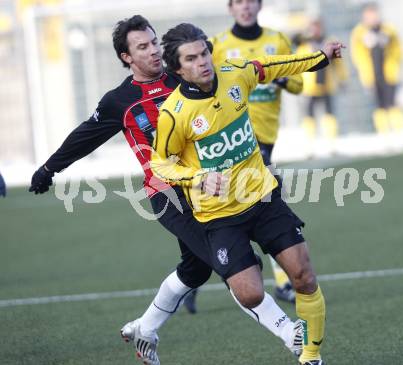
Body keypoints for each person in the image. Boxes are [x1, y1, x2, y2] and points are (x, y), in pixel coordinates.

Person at [28, 15, 303, 365]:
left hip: (212, 190)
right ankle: (287, 330)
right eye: (142, 47)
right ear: (126, 58)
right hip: (168, 195)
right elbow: (85, 136)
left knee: (195, 269)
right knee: (232, 266)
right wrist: (49, 168)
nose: (153, 51)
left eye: (154, 42)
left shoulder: (184, 76)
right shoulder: (120, 101)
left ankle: (145, 327)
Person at [152, 22, 343, 365]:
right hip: (219, 216)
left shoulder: (235, 75)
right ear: (178, 69)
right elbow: (160, 166)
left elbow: (275, 66)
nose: (203, 62)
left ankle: (311, 356)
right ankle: (243, 264)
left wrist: (320, 57)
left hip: (263, 197)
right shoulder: (174, 114)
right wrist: (197, 177)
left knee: (303, 275)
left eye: (205, 52)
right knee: (251, 293)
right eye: (192, 58)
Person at [209, 0, 303, 305]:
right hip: (235, 137)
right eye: (238, 2)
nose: (245, 7)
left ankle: (192, 275)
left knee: (244, 206)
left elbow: (299, 83)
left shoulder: (276, 40)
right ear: (230, 8)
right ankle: (282, 281)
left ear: (259, 5)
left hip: (266, 134)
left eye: (250, 1)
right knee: (269, 203)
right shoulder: (219, 45)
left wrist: (282, 78)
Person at [351, 2, 403, 133]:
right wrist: (364, 71)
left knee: (392, 102)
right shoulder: (359, 33)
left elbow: (399, 48)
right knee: (378, 104)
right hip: (372, 74)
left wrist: (395, 62)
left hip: (389, 72)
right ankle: (383, 132)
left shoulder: (388, 30)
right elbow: (357, 54)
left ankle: (398, 131)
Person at [297, 18, 348, 141]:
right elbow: (298, 65)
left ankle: (331, 140)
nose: (315, 31)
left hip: (327, 85)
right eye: (312, 28)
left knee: (329, 114)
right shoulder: (304, 46)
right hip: (309, 87)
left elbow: (339, 64)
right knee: (309, 115)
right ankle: (310, 141)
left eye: (317, 27)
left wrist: (342, 78)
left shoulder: (330, 44)